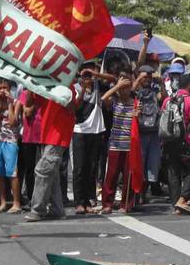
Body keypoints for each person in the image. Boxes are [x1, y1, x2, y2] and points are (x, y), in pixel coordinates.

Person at [24, 82, 79, 222]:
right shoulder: (41, 81)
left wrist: (64, 95)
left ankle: (37, 210)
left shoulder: (67, 83)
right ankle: (57, 209)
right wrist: (30, 84)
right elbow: (29, 103)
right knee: (51, 174)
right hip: (46, 134)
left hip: (58, 135)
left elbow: (73, 107)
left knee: (43, 171)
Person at [162, 65, 190, 215]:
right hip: (185, 141)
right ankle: (183, 199)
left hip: (168, 141)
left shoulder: (167, 100)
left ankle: (176, 205)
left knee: (174, 172)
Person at [70, 66, 107, 215]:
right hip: (80, 130)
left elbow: (113, 80)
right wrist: (83, 89)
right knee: (79, 168)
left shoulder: (97, 84)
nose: (87, 77)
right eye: (84, 74)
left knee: (92, 168)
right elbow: (75, 107)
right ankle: (79, 202)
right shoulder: (75, 87)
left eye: (89, 74)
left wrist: (96, 75)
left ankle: (89, 200)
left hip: (96, 130)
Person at [100, 73, 138, 213]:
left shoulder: (135, 103)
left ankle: (126, 204)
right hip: (115, 144)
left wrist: (137, 117)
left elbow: (140, 124)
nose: (124, 90)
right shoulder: (115, 102)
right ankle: (107, 204)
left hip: (130, 145)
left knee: (128, 176)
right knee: (111, 175)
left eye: (127, 87)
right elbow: (103, 99)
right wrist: (117, 86)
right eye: (123, 88)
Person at [132, 53, 165, 197]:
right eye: (145, 76)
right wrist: (139, 79)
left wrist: (162, 83)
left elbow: (163, 98)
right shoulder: (136, 90)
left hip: (154, 132)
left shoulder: (155, 89)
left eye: (149, 76)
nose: (147, 79)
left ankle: (145, 191)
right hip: (140, 131)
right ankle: (139, 194)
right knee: (140, 162)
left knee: (153, 163)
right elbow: (129, 92)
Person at [0, 83, 21, 213]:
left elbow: (13, 122)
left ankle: (16, 203)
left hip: (10, 140)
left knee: (12, 172)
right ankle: (3, 202)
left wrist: (10, 104)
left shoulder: (16, 102)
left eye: (4, 88)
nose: (2, 91)